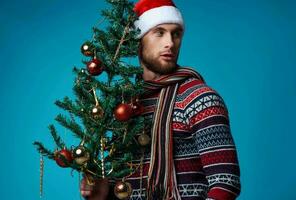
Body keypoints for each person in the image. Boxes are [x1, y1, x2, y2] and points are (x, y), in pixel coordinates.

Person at [81, 0, 241, 199]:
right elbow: (126, 187)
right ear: (139, 40)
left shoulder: (200, 99)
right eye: (159, 32)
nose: (170, 43)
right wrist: (103, 194)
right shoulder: (124, 106)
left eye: (176, 34)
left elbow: (226, 184)